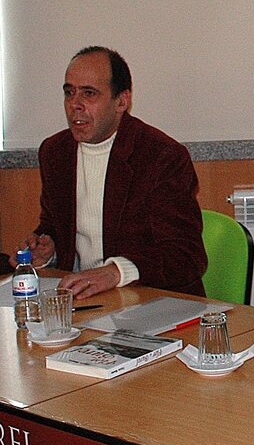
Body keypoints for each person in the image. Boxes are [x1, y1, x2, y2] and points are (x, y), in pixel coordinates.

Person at [12, 46, 206, 299]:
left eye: (89, 94)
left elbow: (185, 256)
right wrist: (49, 251)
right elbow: (54, 227)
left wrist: (115, 272)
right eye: (69, 93)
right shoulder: (55, 152)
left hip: (148, 302)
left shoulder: (161, 156)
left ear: (122, 101)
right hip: (82, 302)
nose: (74, 105)